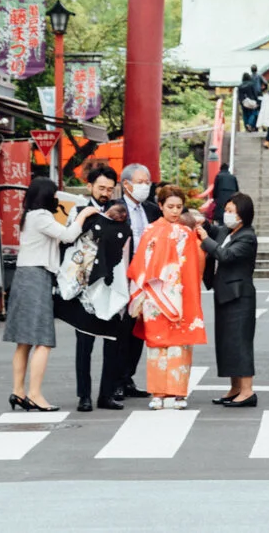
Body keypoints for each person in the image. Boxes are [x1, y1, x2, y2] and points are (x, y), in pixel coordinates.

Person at [5, 176, 96, 412]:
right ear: (46, 196)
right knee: (44, 340)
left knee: (24, 341)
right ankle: (34, 394)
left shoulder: (30, 216)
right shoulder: (41, 216)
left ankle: (18, 391)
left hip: (25, 277)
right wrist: (84, 215)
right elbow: (68, 235)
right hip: (36, 277)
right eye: (54, 194)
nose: (56, 198)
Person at [126, 185, 206, 410]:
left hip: (181, 294)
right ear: (160, 206)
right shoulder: (150, 231)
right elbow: (140, 265)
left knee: (179, 345)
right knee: (157, 345)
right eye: (170, 206)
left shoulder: (186, 233)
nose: (175, 211)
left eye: (179, 207)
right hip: (155, 296)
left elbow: (193, 268)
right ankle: (158, 393)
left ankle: (178, 393)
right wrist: (143, 293)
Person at [73, 162, 133, 412]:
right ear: (89, 186)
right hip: (85, 287)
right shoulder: (79, 211)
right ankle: (84, 396)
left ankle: (106, 395)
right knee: (84, 343)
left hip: (111, 284)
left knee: (112, 342)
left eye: (109, 189)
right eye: (101, 188)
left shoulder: (119, 212)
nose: (105, 193)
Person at [192, 192, 258, 406]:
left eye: (231, 211)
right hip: (224, 295)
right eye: (226, 210)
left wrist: (205, 239)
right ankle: (235, 388)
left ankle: (247, 391)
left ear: (242, 214)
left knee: (240, 343)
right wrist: (201, 222)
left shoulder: (247, 237)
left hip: (240, 297)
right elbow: (213, 230)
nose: (226, 214)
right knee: (227, 343)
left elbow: (225, 256)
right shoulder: (227, 231)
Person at [112, 163, 161, 398]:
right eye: (140, 182)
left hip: (147, 278)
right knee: (121, 331)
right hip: (123, 276)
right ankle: (116, 380)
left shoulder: (151, 210)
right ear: (126, 184)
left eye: (147, 182)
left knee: (138, 331)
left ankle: (128, 377)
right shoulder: (115, 208)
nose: (145, 186)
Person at [239, 65, 263, 134]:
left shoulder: (240, 86)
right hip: (251, 101)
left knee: (245, 114)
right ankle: (249, 124)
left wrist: (241, 102)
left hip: (244, 102)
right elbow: (254, 93)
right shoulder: (251, 84)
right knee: (253, 113)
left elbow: (239, 96)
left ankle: (246, 126)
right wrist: (257, 101)